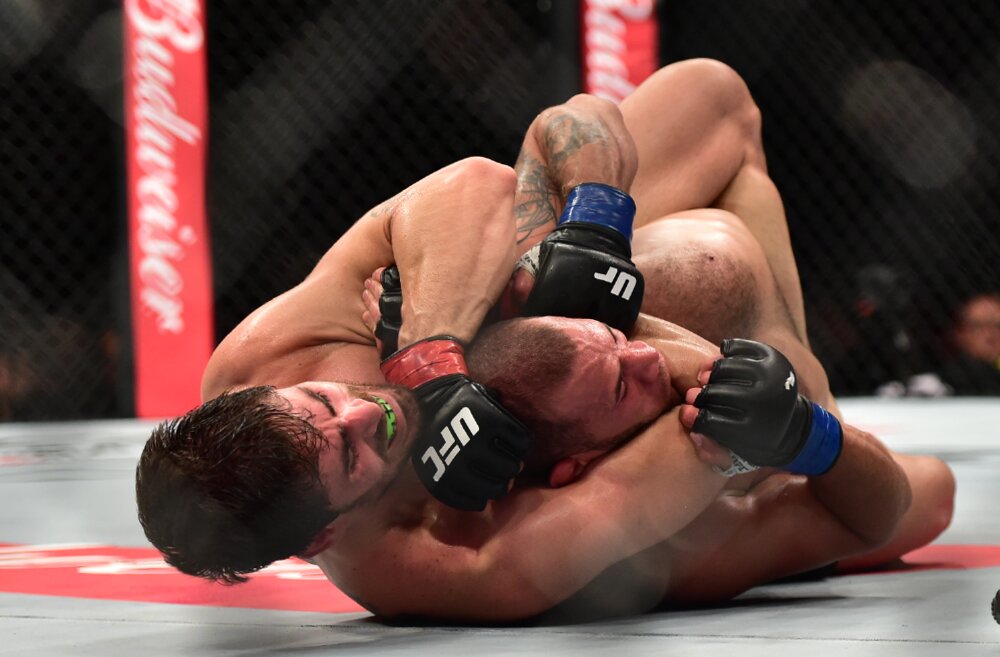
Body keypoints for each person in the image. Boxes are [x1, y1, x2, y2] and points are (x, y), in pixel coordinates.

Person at [136, 59, 953, 618]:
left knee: (709, 101)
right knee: (730, 273)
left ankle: (565, 289)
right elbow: (901, 500)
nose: (365, 411)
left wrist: (431, 350)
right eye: (349, 454)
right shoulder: (445, 556)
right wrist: (797, 429)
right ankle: (774, 372)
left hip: (585, 319)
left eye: (323, 401)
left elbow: (483, 180)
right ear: (322, 536)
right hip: (692, 430)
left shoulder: (268, 354)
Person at [938, 292, 1000, 394]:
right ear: (960, 333)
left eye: (998, 326)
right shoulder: (941, 383)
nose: (991, 334)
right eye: (978, 326)